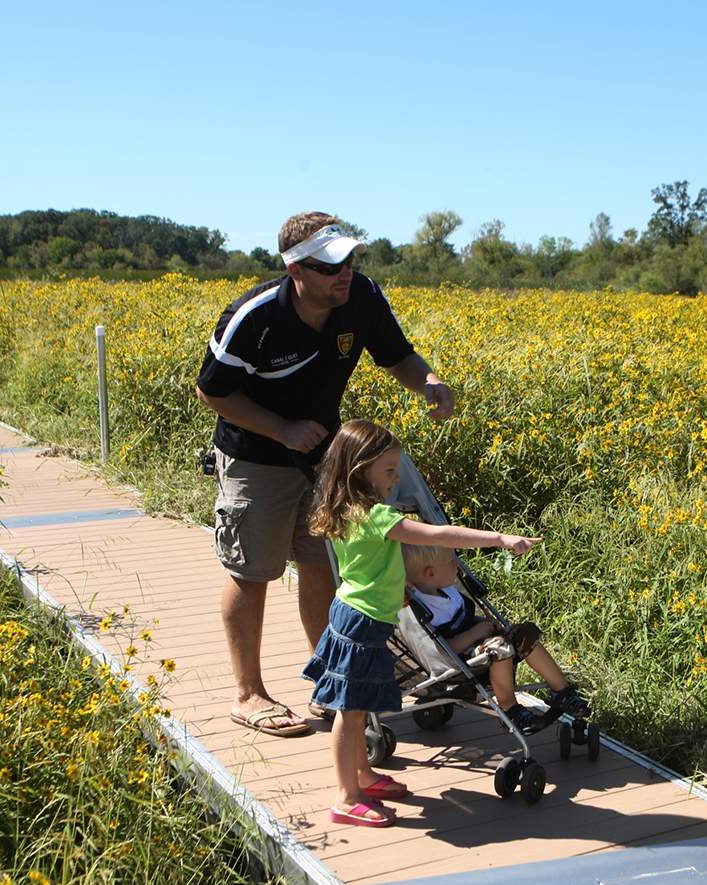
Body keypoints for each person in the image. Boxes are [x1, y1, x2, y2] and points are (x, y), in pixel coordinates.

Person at [195, 212, 455, 738]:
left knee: (324, 564)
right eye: (330, 266)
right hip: (255, 455)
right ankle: (249, 694)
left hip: (323, 457)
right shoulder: (254, 315)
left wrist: (428, 381)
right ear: (296, 269)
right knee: (254, 568)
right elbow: (213, 391)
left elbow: (396, 356)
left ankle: (329, 685)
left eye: (350, 261)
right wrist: (282, 429)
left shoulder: (361, 297)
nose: (345, 274)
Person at [301, 420, 537, 827]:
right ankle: (346, 796)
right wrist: (498, 539)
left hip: (359, 616)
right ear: (360, 469)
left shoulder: (346, 510)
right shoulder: (375, 515)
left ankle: (363, 775)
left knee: (357, 707)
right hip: (360, 623)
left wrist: (398, 584)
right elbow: (439, 534)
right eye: (389, 471)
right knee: (350, 711)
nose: (395, 479)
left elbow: (369, 565)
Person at [402, 544, 589, 732]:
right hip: (457, 659)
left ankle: (562, 692)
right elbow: (444, 648)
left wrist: (486, 625)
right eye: (451, 561)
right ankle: (510, 709)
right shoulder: (420, 607)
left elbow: (463, 619)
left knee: (525, 633)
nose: (457, 566)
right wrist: (477, 632)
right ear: (430, 573)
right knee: (500, 647)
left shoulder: (445, 590)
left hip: (481, 642)